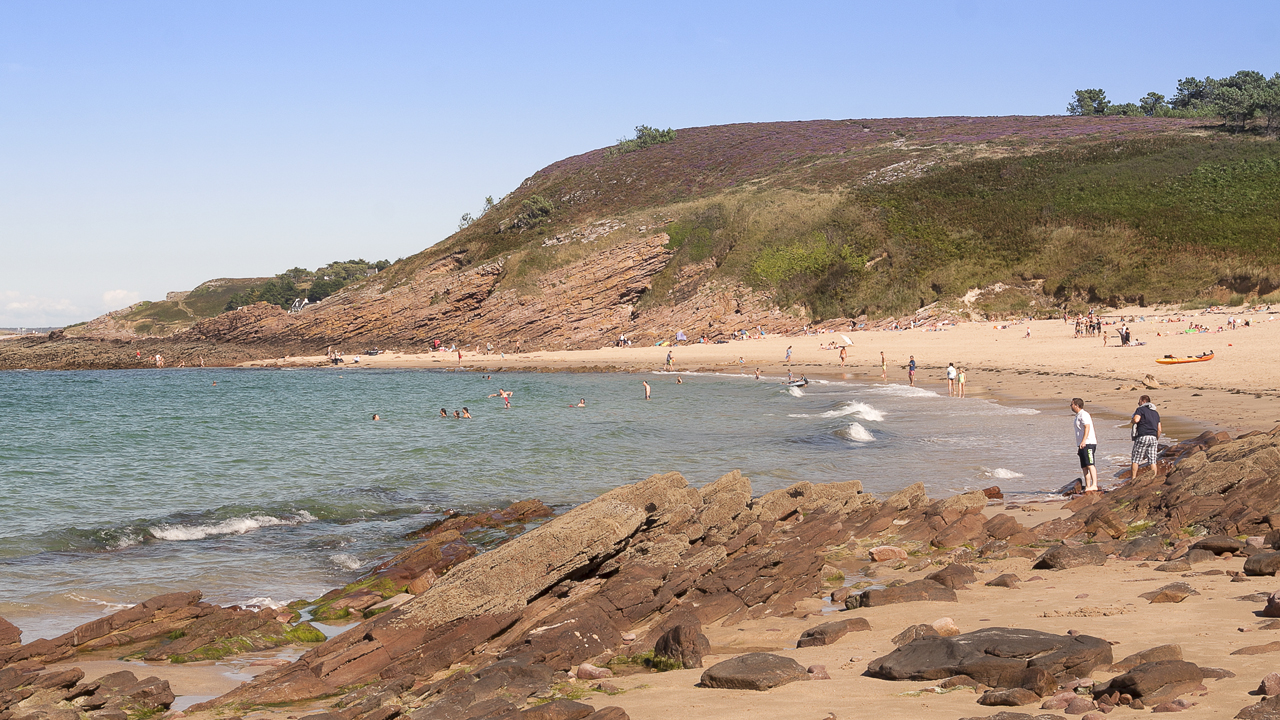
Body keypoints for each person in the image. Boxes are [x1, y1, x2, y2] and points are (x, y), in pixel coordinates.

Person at [1130, 395, 1162, 480]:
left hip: (1143, 436)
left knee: (1136, 459)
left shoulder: (1140, 410)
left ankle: (1133, 478)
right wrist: (1156, 438)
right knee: (1152, 460)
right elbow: (1159, 429)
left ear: (1143, 401)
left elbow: (1136, 420)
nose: (1138, 403)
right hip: (1153, 437)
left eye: (1139, 402)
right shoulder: (1155, 413)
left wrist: (1132, 420)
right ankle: (1153, 478)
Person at [1071, 398, 1099, 492]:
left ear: (1076, 405)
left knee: (1090, 464)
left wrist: (1084, 441)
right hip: (1081, 444)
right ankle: (1087, 486)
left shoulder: (1084, 414)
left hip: (1088, 443)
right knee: (1084, 466)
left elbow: (1087, 427)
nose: (1071, 406)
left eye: (1072, 404)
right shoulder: (1077, 416)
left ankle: (1094, 484)